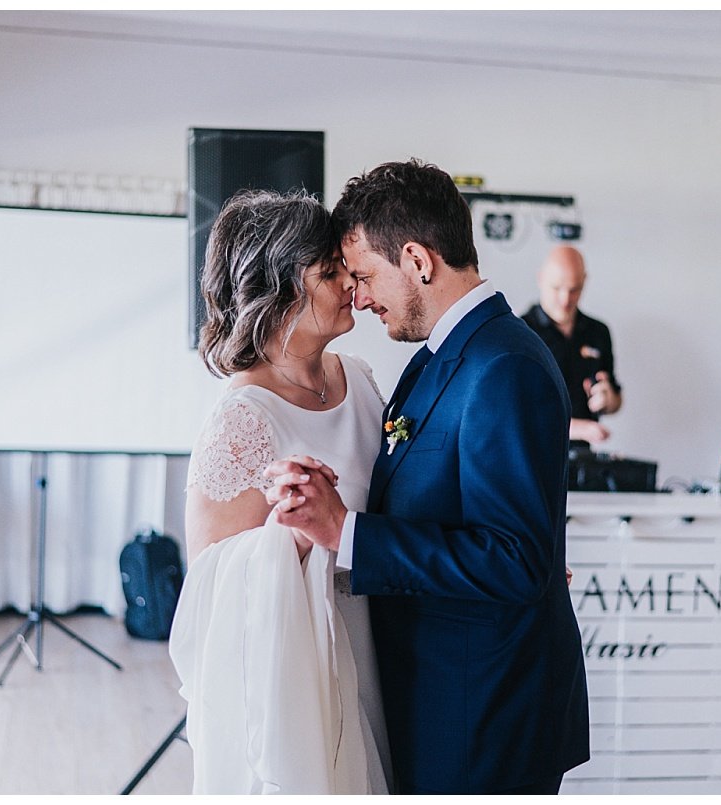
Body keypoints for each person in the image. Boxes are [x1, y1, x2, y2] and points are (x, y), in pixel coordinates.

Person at [266, 159, 590, 794]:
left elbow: (517, 561)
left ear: (417, 259)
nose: (358, 296)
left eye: (363, 275)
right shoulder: (433, 361)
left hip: (484, 710)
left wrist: (346, 532)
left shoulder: (505, 366)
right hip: (440, 696)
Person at [167, 189, 391, 794]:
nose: (350, 280)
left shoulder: (363, 381)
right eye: (327, 271)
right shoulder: (242, 418)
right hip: (306, 675)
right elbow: (210, 597)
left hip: (389, 643)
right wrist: (289, 536)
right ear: (279, 293)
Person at [522, 245, 623, 444]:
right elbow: (514, 409)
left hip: (582, 459)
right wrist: (575, 428)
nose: (565, 299)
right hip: (535, 457)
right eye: (557, 288)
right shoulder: (521, 332)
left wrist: (607, 399)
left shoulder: (598, 332)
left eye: (574, 289)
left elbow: (616, 399)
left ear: (584, 281)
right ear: (541, 278)